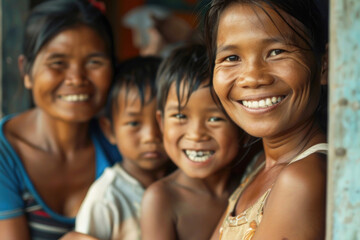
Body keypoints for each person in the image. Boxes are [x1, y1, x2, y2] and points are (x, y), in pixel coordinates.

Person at [203, 0, 328, 239]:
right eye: (231, 58)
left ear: (324, 64)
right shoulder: (260, 163)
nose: (252, 78)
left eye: (276, 52)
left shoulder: (301, 180)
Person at [0, 0, 120, 239]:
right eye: (58, 63)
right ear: (26, 71)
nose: (76, 78)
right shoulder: (5, 153)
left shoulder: (123, 140)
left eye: (94, 62)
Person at [141, 43, 249, 240]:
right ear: (161, 122)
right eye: (180, 117)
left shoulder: (249, 184)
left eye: (215, 119)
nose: (197, 134)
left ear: (242, 125)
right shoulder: (162, 199)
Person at [73, 56, 173, 240]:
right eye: (134, 123)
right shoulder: (106, 198)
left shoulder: (187, 184)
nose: (151, 136)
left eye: (162, 121)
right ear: (109, 130)